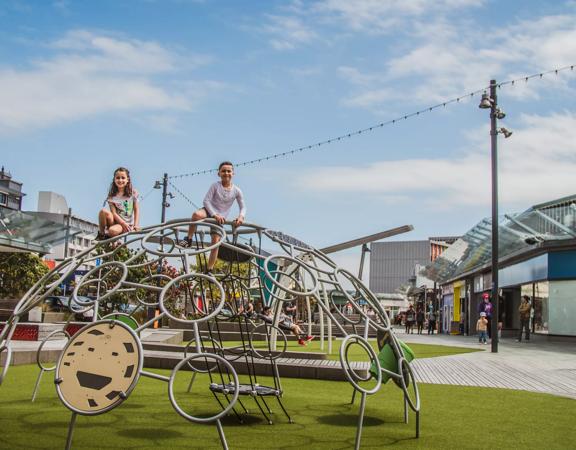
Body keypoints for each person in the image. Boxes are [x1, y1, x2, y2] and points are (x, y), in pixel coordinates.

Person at [181, 161, 246, 274]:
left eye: (229, 171)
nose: (226, 173)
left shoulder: (237, 191)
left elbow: (243, 206)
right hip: (210, 211)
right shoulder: (215, 186)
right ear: (219, 173)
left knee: (215, 242)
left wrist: (241, 217)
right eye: (223, 171)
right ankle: (189, 238)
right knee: (196, 215)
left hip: (221, 217)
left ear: (233, 173)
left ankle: (209, 269)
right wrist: (214, 214)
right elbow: (206, 201)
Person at [97, 167, 140, 240]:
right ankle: (102, 235)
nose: (120, 180)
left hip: (126, 224)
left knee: (112, 231)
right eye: (118, 178)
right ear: (114, 180)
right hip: (116, 221)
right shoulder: (112, 196)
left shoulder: (133, 193)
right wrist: (122, 222)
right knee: (103, 211)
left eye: (123, 178)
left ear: (127, 180)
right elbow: (113, 213)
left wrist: (136, 225)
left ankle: (114, 239)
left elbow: (136, 209)